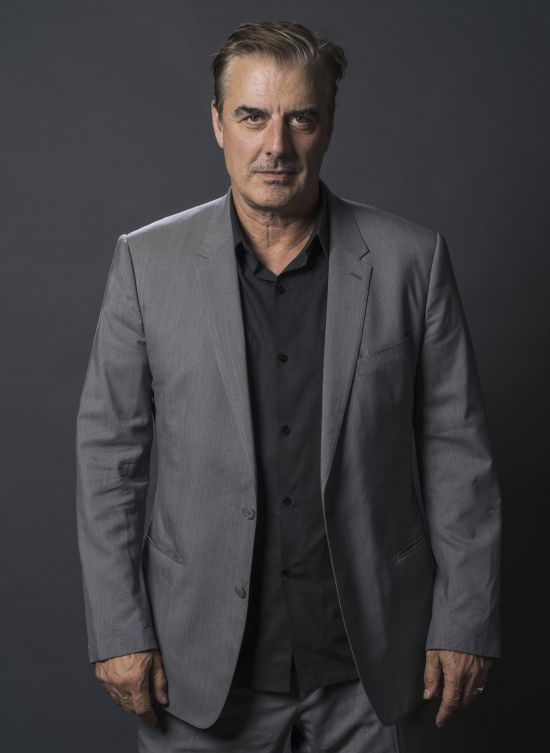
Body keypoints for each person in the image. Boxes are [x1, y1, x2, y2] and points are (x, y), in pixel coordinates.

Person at [76, 19, 502, 753]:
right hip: (198, 667)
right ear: (218, 123)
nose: (276, 145)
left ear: (328, 126)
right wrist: (118, 629)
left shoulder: (412, 261)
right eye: (252, 117)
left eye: (299, 118)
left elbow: (456, 454)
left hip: (369, 665)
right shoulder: (146, 264)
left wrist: (466, 619)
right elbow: (108, 458)